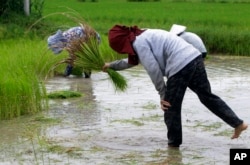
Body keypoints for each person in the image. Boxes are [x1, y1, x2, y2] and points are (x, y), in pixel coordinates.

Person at [102, 25, 248, 147]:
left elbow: (153, 69)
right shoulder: (142, 35)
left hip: (180, 65)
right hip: (194, 57)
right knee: (207, 97)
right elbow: (131, 61)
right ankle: (238, 123)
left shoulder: (139, 43)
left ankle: (173, 147)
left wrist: (162, 94)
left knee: (169, 107)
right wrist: (111, 66)